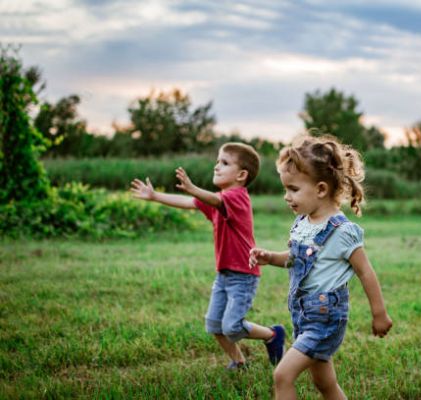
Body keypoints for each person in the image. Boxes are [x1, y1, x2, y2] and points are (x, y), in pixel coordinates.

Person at [249, 135, 393, 399]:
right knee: (324, 383)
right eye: (285, 189)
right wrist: (271, 257)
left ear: (321, 189)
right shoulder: (303, 223)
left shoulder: (341, 231)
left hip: (325, 318)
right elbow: (296, 260)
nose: (286, 197)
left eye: (293, 189)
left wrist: (379, 314)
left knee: (283, 375)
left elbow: (365, 272)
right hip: (303, 316)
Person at [130, 142, 285, 370]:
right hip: (223, 275)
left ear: (241, 175)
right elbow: (189, 202)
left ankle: (272, 334)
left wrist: (193, 188)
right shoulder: (219, 200)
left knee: (232, 327)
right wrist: (155, 196)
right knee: (214, 325)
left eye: (224, 163)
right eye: (217, 161)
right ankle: (238, 361)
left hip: (243, 274)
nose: (216, 166)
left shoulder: (237, 197)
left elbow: (213, 199)